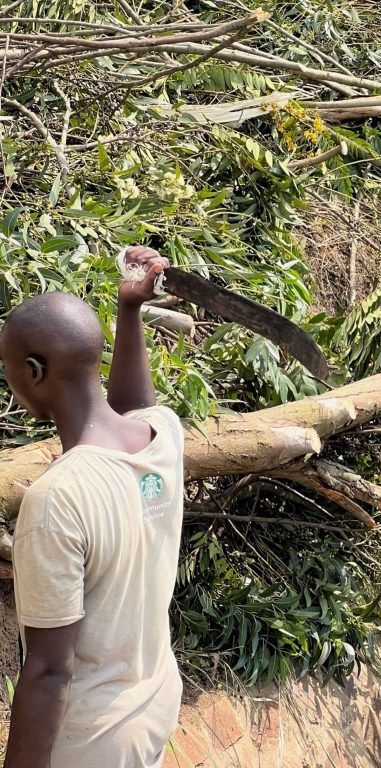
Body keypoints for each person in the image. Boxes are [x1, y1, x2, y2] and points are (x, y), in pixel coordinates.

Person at [2, 247, 184, 767]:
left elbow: (48, 673)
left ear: (33, 372)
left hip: (93, 742)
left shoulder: (57, 501)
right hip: (153, 701)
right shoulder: (163, 436)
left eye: (10, 371)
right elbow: (133, 408)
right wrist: (130, 312)